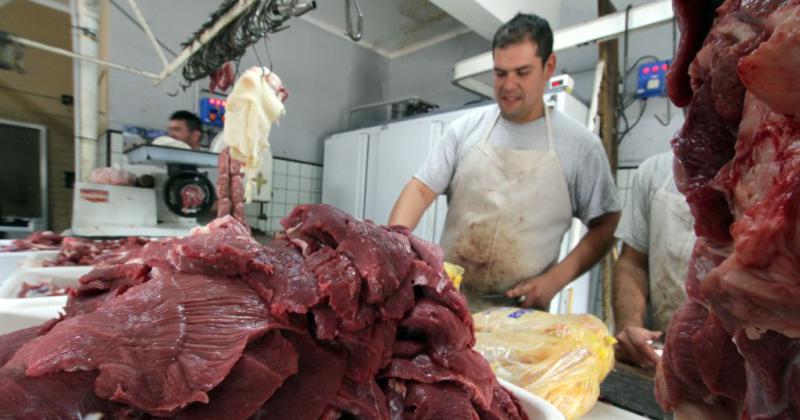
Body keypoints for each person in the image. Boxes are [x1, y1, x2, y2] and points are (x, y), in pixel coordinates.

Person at [388, 13, 621, 311]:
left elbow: (606, 224)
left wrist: (554, 280)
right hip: (448, 304)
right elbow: (420, 190)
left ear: (548, 66)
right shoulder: (465, 130)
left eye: (522, 72)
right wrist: (390, 250)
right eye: (500, 73)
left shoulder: (580, 146)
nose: (508, 85)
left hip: (520, 315)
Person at [613, 151, 695, 368]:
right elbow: (632, 263)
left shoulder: (778, 176)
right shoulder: (655, 172)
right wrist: (630, 327)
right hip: (659, 355)